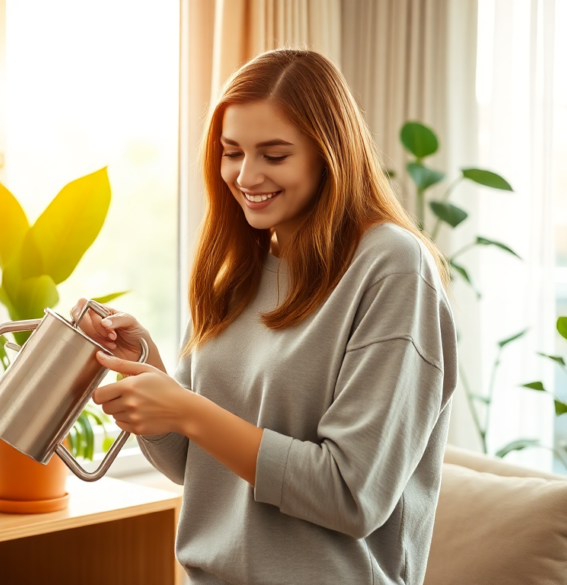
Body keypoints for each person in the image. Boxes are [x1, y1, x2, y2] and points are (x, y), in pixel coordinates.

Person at [71, 49, 457, 585]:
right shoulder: (239, 265)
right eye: (232, 152)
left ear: (329, 154)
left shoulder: (392, 266)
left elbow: (351, 496)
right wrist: (147, 367)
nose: (246, 175)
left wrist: (187, 410)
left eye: (274, 155)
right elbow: (196, 466)